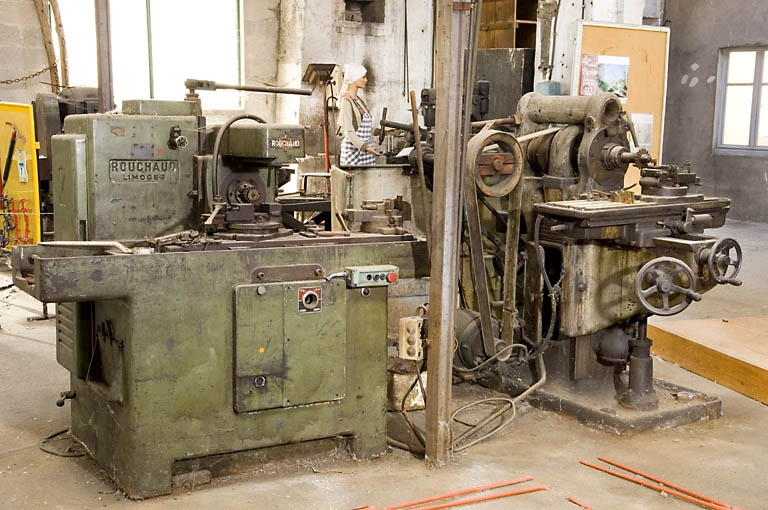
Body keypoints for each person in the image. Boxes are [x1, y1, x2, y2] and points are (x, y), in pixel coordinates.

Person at [337, 64, 382, 166]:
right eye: (363, 77)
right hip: (353, 152)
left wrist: (380, 131)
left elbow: (361, 127)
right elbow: (349, 131)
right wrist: (366, 148)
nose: (366, 80)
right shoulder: (346, 101)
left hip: (365, 151)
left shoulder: (359, 100)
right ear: (355, 78)